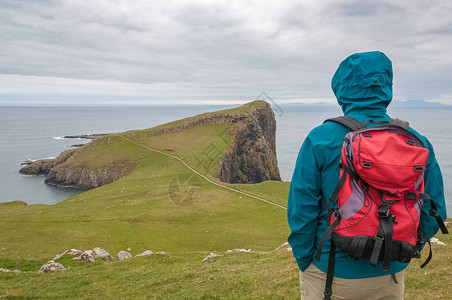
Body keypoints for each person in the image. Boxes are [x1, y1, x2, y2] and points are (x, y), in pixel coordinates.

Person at [287, 51, 448, 300]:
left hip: (330, 273)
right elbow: (434, 210)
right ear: (386, 86)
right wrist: (405, 249)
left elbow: (301, 212)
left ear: (340, 88)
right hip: (390, 272)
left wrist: (306, 260)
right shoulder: (416, 141)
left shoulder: (320, 138)